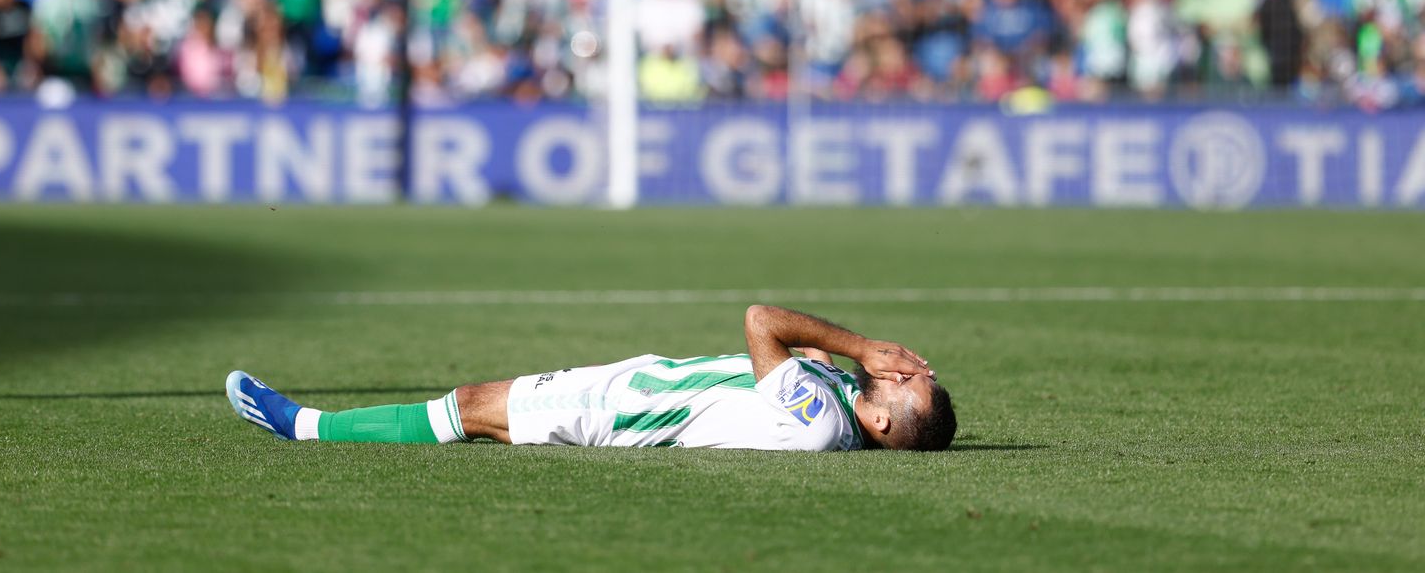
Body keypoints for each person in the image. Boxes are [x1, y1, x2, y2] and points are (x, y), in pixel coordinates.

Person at [226, 304, 956, 452]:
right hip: (637, 388)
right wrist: (858, 360)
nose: (903, 368)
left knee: (473, 405)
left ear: (882, 421)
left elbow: (762, 320)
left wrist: (865, 343)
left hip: (626, 412)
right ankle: (313, 424)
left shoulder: (821, 424)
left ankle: (305, 426)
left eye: (909, 382)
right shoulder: (839, 400)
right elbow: (813, 358)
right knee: (486, 414)